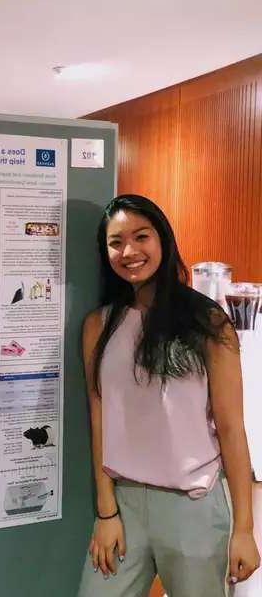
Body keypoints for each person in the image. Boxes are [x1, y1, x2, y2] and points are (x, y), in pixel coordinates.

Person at [78, 195, 259, 597]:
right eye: (115, 242)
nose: (129, 251)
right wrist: (105, 511)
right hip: (124, 502)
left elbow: (231, 428)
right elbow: (98, 416)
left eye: (141, 236)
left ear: (163, 239)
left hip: (192, 505)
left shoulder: (208, 322)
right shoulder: (99, 325)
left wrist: (244, 529)